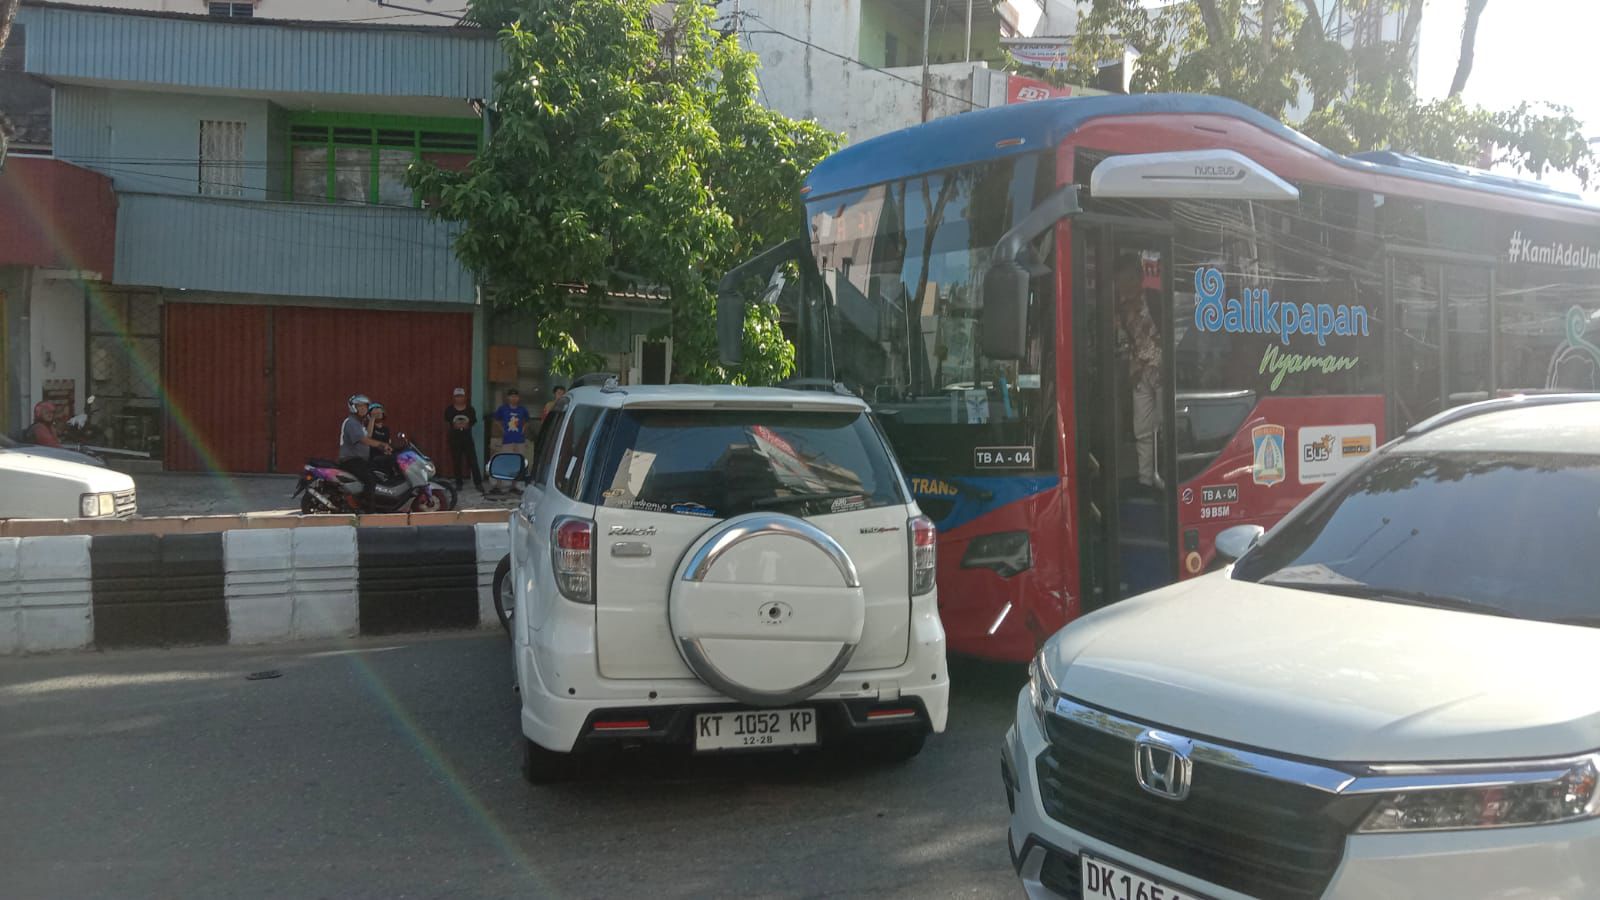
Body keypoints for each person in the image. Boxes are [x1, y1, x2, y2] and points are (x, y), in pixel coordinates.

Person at [1114, 253, 1163, 490]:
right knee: (1142, 430)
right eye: (1121, 280)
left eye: (1129, 278)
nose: (1125, 284)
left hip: (1161, 371)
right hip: (1140, 374)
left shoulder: (1154, 299)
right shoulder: (1123, 309)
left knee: (1161, 426)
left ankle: (1163, 477)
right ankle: (1146, 481)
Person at [339, 394, 390, 512]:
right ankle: (367, 510)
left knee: (378, 475)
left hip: (359, 460)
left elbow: (368, 437)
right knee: (370, 480)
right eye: (359, 406)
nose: (363, 408)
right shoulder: (351, 422)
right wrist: (381, 444)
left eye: (365, 406)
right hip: (351, 460)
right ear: (353, 407)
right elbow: (364, 440)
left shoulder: (359, 423)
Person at [490, 388, 532, 495]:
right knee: (505, 461)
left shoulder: (522, 409)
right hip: (507, 439)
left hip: (519, 440)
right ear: (508, 397)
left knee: (518, 462)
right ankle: (499, 485)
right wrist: (502, 430)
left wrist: (523, 429)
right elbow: (495, 420)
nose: (514, 398)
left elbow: (527, 420)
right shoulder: (503, 409)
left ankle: (515, 485)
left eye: (516, 396)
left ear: (518, 398)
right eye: (512, 396)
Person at [443, 387, 483, 493]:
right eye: (457, 396)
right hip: (455, 438)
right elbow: (447, 422)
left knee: (473, 461)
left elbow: (473, 421)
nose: (459, 398)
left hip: (467, 437)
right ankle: (459, 483)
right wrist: (453, 427)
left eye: (461, 396)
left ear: (465, 397)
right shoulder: (449, 410)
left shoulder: (470, 409)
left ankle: (478, 483)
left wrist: (467, 425)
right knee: (457, 461)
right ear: (454, 397)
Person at [367, 402, 394, 479]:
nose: (378, 413)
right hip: (373, 457)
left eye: (380, 411)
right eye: (375, 411)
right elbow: (368, 436)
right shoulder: (368, 426)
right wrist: (372, 418)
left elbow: (387, 443)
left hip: (384, 455)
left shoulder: (386, 429)